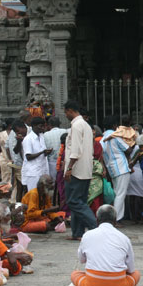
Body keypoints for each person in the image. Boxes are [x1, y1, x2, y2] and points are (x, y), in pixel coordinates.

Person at [70, 205, 141, 286]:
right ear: (115, 221)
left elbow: (82, 260)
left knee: (75, 274)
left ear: (97, 220)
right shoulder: (124, 238)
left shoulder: (87, 235)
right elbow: (131, 269)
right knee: (136, 274)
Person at [64, 100, 98, 239]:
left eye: (66, 112)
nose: (65, 115)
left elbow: (76, 150)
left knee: (73, 201)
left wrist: (69, 168)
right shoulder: (86, 125)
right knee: (79, 201)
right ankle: (77, 232)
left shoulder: (77, 126)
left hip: (77, 170)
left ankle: (95, 226)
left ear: (70, 111)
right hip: (85, 169)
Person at [0, 201, 32, 275]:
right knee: (13, 264)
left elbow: (0, 246)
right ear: (0, 217)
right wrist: (15, 256)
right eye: (8, 216)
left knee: (24, 255)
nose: (10, 218)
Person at [102, 115, 134, 223]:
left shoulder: (102, 139)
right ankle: (117, 218)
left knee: (117, 193)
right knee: (121, 194)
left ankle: (115, 217)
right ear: (115, 125)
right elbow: (128, 150)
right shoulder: (115, 136)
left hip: (111, 168)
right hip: (121, 167)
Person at [21, 117, 52, 193]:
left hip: (42, 170)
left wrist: (46, 153)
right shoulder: (28, 139)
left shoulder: (41, 137)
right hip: (33, 172)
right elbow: (28, 157)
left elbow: (42, 153)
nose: (42, 128)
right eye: (40, 126)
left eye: (43, 126)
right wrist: (42, 152)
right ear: (34, 126)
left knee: (43, 193)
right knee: (33, 193)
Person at [7, 111, 33, 201]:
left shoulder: (31, 131)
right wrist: (19, 141)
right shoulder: (15, 134)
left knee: (24, 188)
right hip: (19, 164)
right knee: (21, 187)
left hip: (30, 164)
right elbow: (15, 150)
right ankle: (20, 206)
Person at [43, 116, 66, 181]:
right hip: (64, 161)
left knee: (53, 182)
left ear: (49, 125)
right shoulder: (65, 131)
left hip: (52, 162)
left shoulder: (46, 134)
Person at [0, 118, 13, 186]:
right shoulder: (16, 134)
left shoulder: (0, 135)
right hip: (13, 159)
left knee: (5, 179)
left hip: (3, 159)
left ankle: (5, 193)